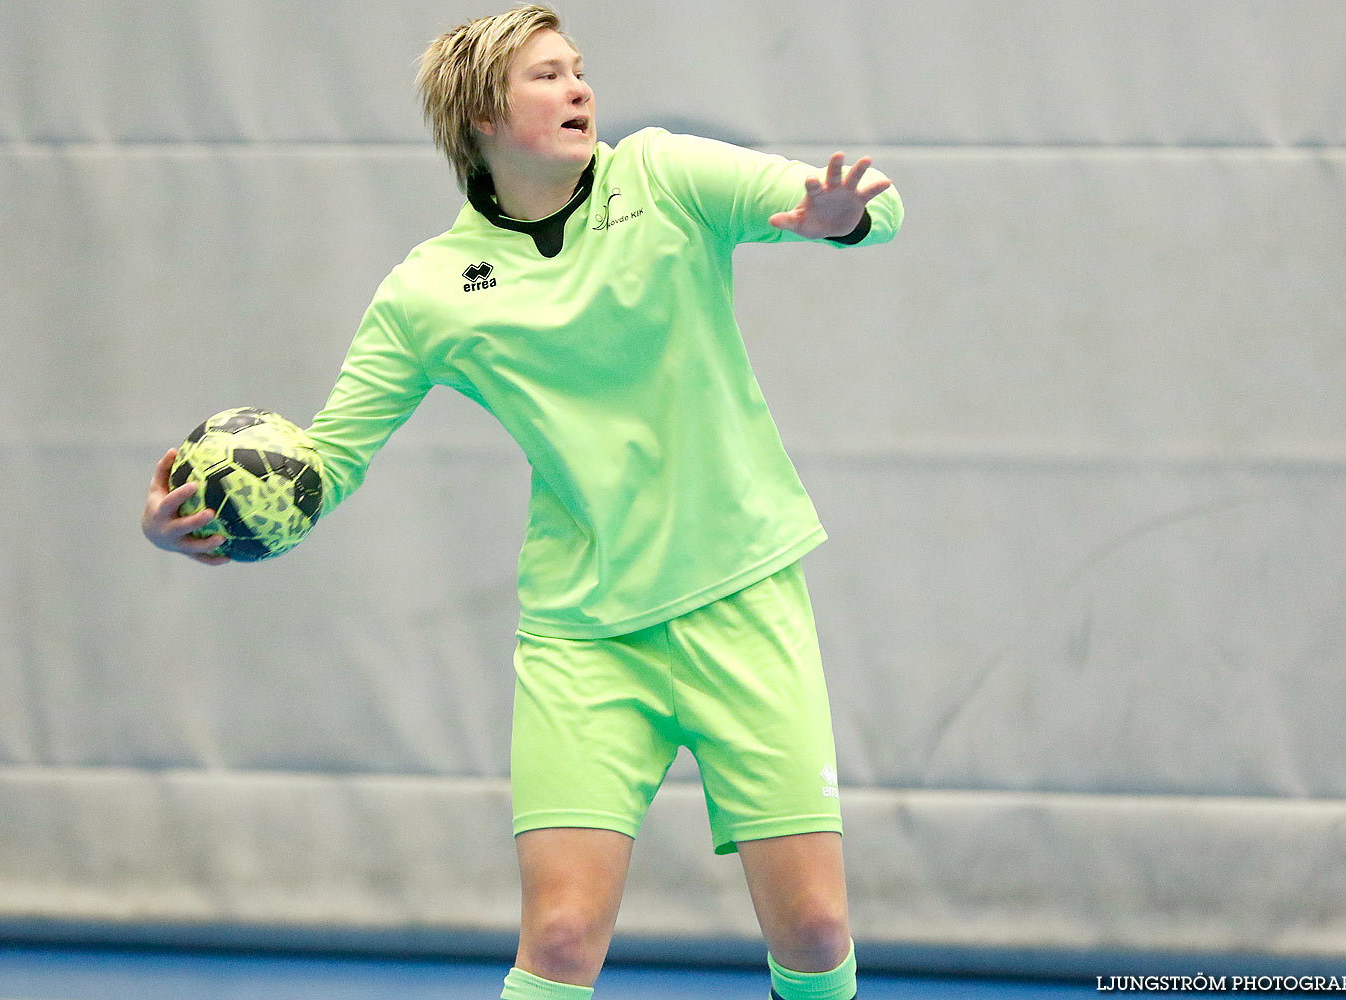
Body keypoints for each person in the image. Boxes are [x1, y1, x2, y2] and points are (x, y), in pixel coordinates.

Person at [142, 5, 902, 998]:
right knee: (559, 935)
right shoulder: (428, 293)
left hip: (741, 596)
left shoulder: (664, 176)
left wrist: (838, 216)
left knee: (812, 928)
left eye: (579, 70)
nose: (579, 88)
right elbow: (326, 463)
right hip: (583, 634)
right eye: (546, 76)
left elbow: (873, 206)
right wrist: (181, 522)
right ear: (481, 121)